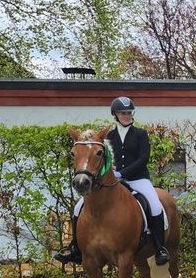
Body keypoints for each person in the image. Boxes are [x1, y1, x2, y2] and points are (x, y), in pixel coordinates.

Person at [54, 96, 172, 266]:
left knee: (154, 205)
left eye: (128, 112)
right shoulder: (107, 137)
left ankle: (160, 248)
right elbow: (101, 160)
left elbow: (143, 159)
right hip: (111, 181)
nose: (126, 115)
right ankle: (76, 249)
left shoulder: (140, 134)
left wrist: (122, 173)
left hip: (138, 179)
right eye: (122, 113)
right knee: (79, 207)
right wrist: (107, 174)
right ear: (115, 115)